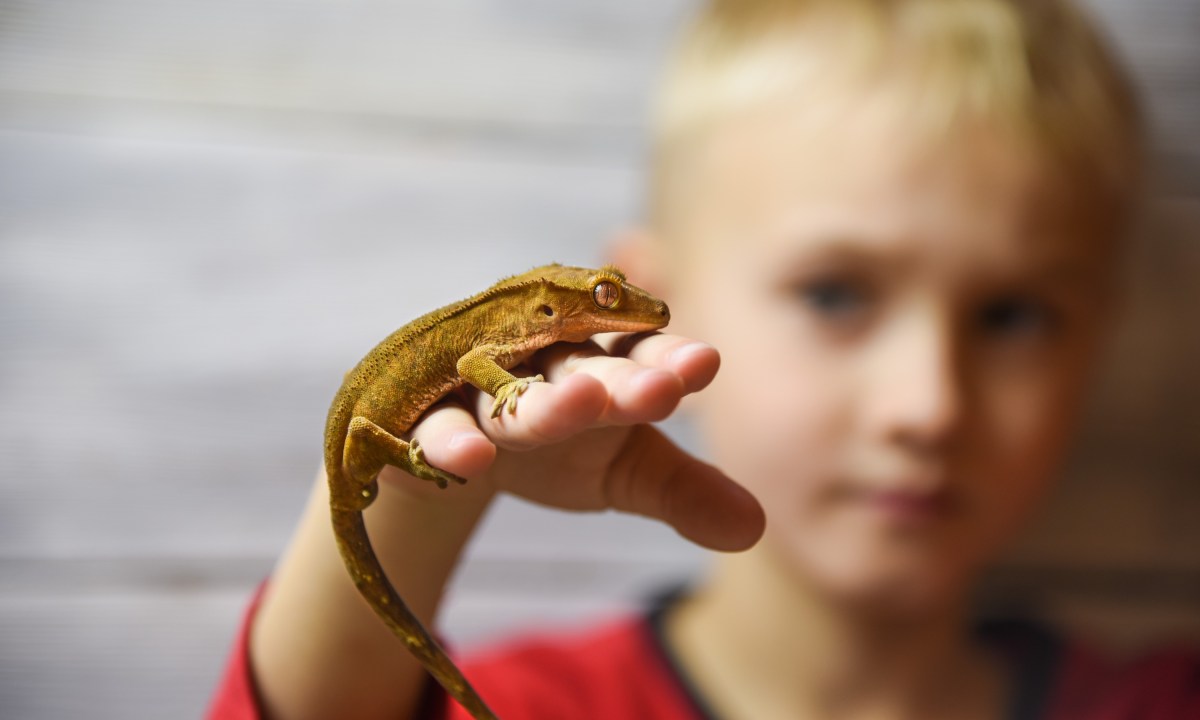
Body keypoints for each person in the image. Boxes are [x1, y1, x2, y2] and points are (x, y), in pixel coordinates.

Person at [209, 1, 1200, 718]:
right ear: (650, 311)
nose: (927, 406)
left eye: (1014, 314)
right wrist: (426, 500)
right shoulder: (530, 706)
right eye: (836, 293)